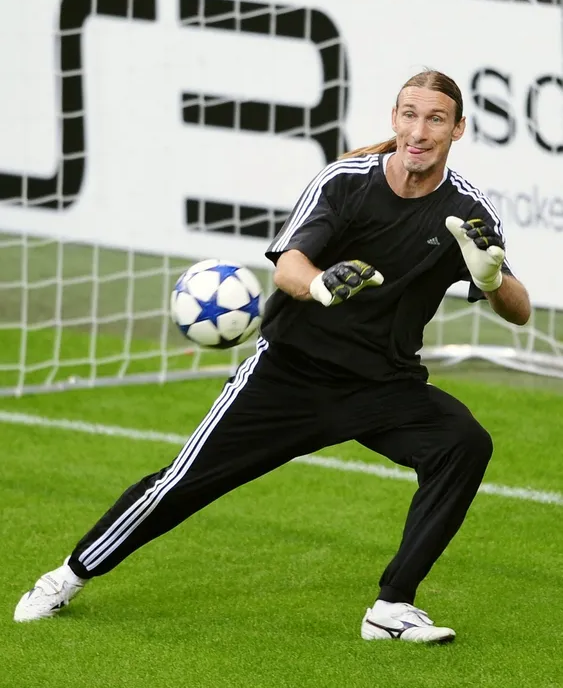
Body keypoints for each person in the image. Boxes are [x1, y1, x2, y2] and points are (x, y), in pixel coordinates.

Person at [14, 69, 530, 643]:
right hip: (290, 374)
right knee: (182, 485)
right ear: (394, 118)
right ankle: (67, 576)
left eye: (435, 119)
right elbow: (288, 267)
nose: (419, 131)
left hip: (384, 385)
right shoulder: (345, 183)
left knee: (464, 443)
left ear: (458, 129)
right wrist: (320, 285)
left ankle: (392, 608)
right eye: (409, 115)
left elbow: (520, 311)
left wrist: (491, 279)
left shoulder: (466, 210)